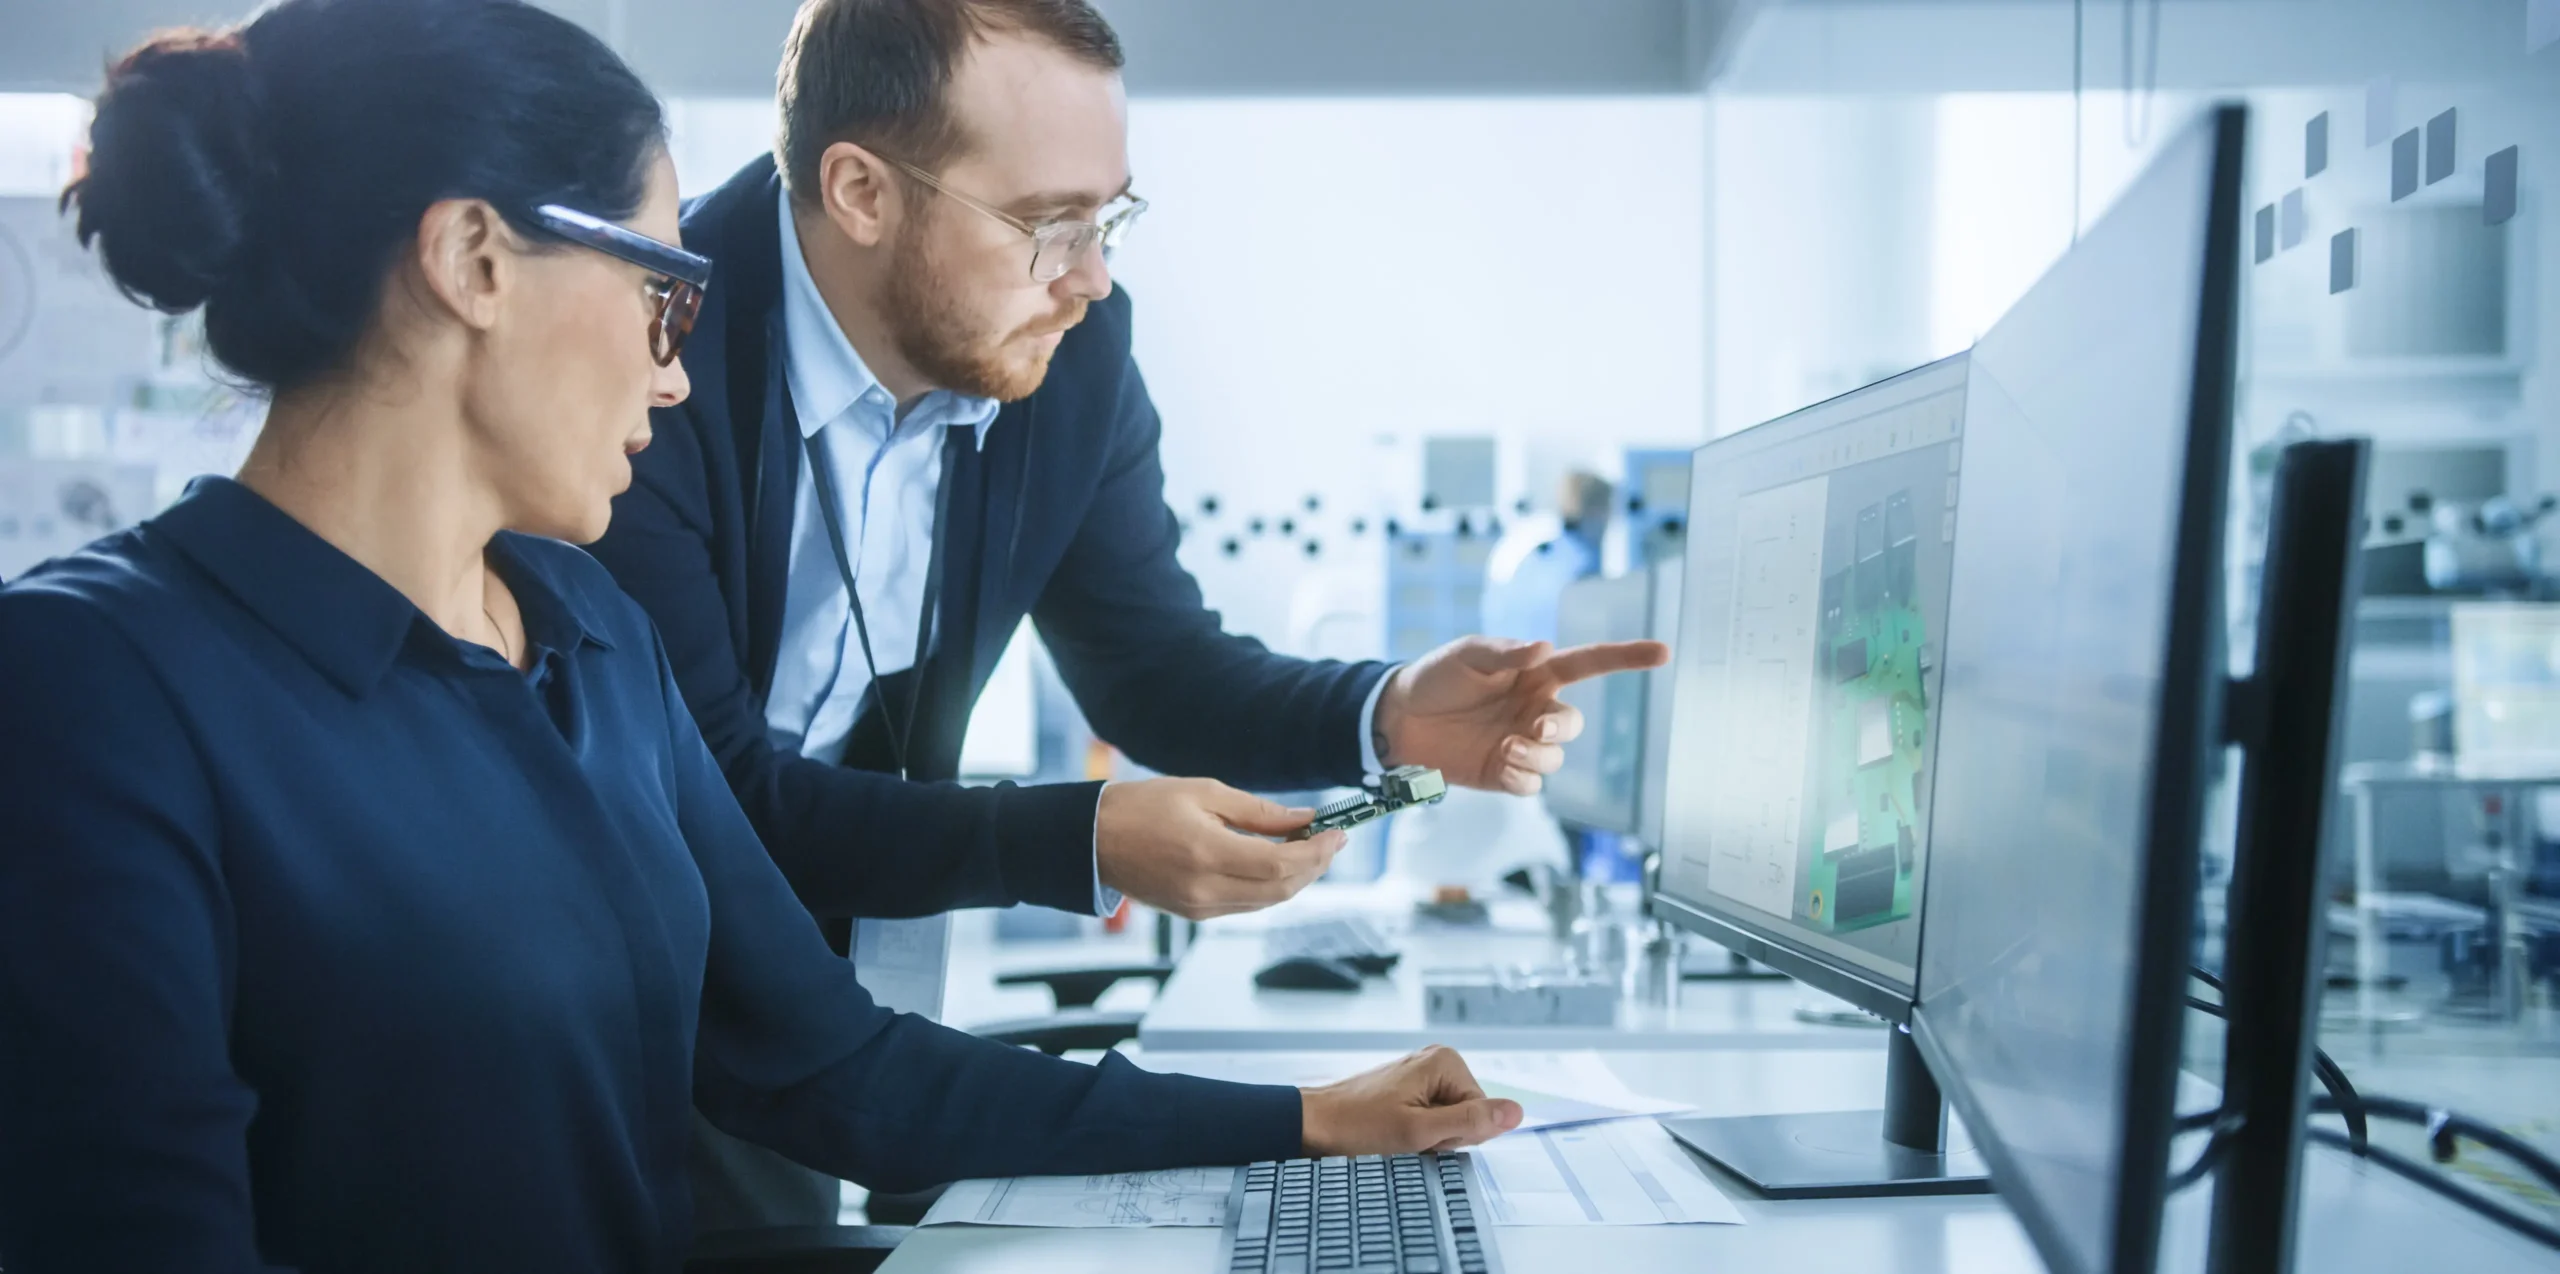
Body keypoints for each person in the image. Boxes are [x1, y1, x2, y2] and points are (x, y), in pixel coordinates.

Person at [0, 2, 1521, 1269]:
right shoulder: (88, 693)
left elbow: (834, 1066)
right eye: (659, 290)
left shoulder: (580, 634)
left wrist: (1309, 1119)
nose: (676, 377)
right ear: (474, 262)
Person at [589, 0, 1664, 1226]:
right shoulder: (653, 351)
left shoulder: (1071, 355)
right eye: (1049, 225)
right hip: (625, 963)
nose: (1092, 277)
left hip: (826, 979)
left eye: (1109, 219)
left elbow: (1149, 663)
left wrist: (1386, 712)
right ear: (860, 191)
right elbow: (716, 795)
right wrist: (1079, 838)